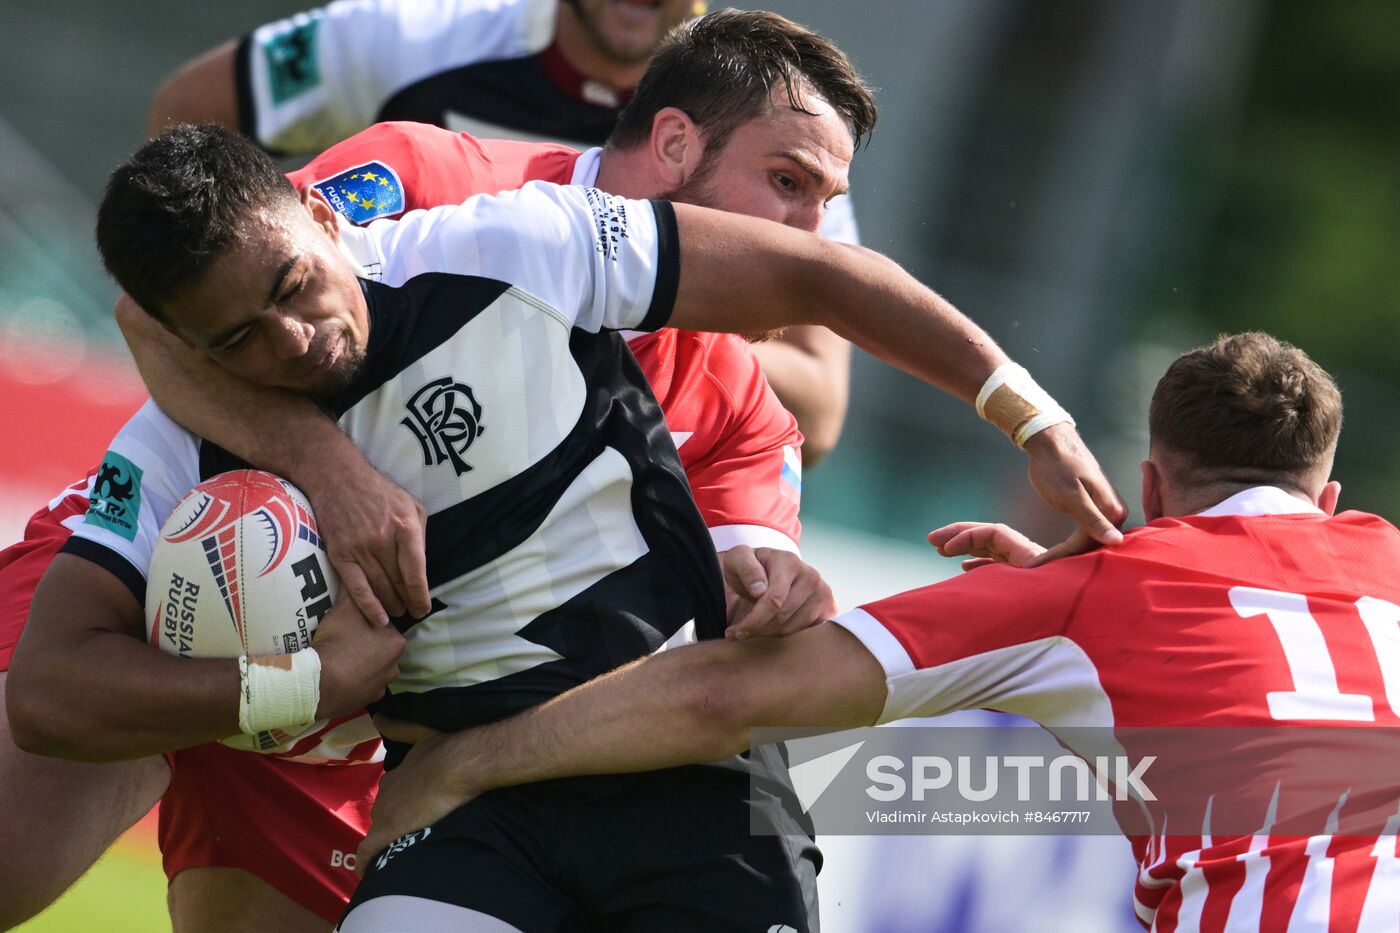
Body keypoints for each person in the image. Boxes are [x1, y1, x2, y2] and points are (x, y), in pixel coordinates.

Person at [9, 113, 1117, 932]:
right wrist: (302, 686)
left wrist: (1025, 414)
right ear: (180, 344)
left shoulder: (512, 245)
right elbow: (53, 691)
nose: (292, 341)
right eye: (237, 340)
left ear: (318, 208)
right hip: (460, 811)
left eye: (295, 286)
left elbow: (818, 281)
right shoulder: (173, 455)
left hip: (686, 781)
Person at [355, 332, 1400, 931]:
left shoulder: (1098, 593)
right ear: (1332, 493)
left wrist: (465, 763)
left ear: (1146, 483)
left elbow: (726, 695)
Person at [146, 0, 861, 463]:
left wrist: (608, 300)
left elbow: (819, 413)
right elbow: (183, 146)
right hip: (346, 442)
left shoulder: (780, 149)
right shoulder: (400, 39)